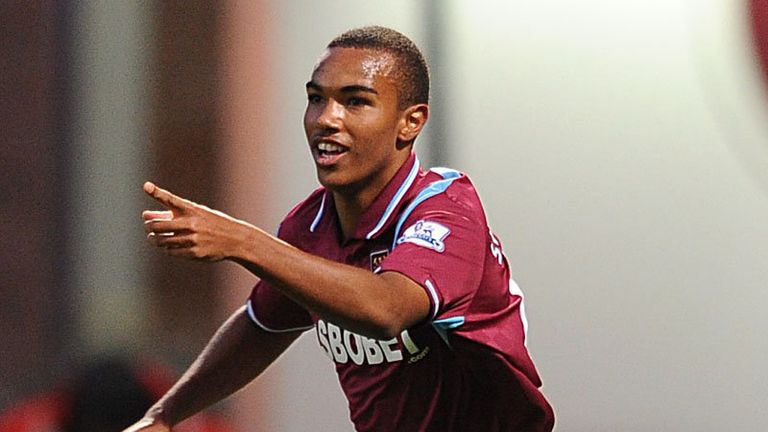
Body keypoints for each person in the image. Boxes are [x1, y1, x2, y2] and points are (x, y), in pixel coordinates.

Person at [127, 26, 554, 432]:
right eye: (316, 99)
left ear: (411, 122)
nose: (326, 119)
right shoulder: (311, 226)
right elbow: (262, 324)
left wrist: (244, 241)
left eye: (355, 102)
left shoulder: (447, 209)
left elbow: (387, 310)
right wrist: (166, 414)